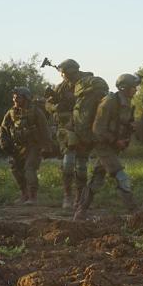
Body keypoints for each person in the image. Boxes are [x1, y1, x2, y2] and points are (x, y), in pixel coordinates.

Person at [74, 74, 141, 220]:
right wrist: (115, 141)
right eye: (133, 87)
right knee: (120, 175)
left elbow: (121, 122)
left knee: (97, 178)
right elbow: (97, 129)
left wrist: (131, 126)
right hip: (103, 145)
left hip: (113, 146)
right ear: (124, 88)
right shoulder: (109, 102)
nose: (136, 90)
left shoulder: (127, 102)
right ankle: (134, 210)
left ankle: (81, 210)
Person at [44, 58, 92, 210]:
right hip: (66, 129)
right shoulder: (61, 88)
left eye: (64, 73)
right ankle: (67, 196)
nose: (62, 76)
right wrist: (56, 106)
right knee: (68, 164)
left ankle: (80, 197)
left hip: (84, 128)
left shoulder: (87, 84)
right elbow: (48, 104)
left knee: (82, 166)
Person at [0, 87, 52, 205]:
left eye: (18, 97)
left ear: (26, 98)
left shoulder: (36, 111)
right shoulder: (11, 112)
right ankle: (24, 194)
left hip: (34, 145)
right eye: (14, 97)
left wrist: (47, 147)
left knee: (29, 169)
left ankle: (33, 197)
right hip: (18, 146)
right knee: (15, 169)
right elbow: (3, 128)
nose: (15, 99)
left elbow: (45, 129)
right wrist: (4, 142)